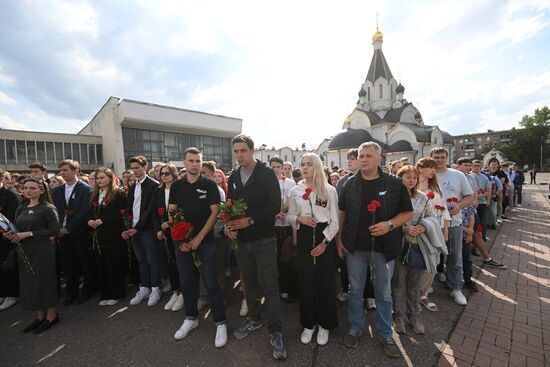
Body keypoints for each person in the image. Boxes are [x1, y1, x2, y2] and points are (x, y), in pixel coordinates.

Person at [337, 142, 413, 358]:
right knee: (355, 290)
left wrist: (388, 225)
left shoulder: (394, 183)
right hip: (355, 248)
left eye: (369, 156)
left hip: (384, 248)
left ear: (380, 159)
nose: (364, 159)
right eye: (361, 155)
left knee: (383, 292)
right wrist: (340, 239)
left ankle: (384, 332)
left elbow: (407, 213)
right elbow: (342, 212)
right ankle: (355, 327)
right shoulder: (350, 184)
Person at [225, 134, 287, 360]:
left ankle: (276, 330)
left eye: (243, 150)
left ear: (252, 151)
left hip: (264, 239)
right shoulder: (233, 176)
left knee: (269, 285)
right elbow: (230, 206)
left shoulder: (266, 173)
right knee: (248, 283)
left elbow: (274, 205)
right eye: (236, 151)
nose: (239, 155)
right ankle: (253, 318)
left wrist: (250, 220)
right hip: (242, 242)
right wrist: (230, 226)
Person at [169, 148, 227, 348]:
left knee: (211, 283)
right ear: (184, 163)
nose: (195, 164)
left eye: (198, 161)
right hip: (183, 245)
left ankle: (220, 322)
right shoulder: (176, 186)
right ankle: (191, 318)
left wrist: (199, 238)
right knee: (186, 282)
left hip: (206, 243)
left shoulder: (210, 185)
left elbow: (215, 213)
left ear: (202, 163)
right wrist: (180, 240)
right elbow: (172, 213)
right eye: (191, 161)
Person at [287, 153, 339, 345]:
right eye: (302, 164)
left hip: (324, 236)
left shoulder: (329, 190)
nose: (305, 168)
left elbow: (335, 221)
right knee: (306, 282)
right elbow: (290, 216)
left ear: (317, 166)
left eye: (309, 164)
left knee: (325, 283)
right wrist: (299, 219)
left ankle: (325, 325)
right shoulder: (295, 190)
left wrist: (324, 243)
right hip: (304, 236)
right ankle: (309, 324)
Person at [3, 177, 60, 333]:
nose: (27, 191)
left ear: (41, 190)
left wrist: (28, 234)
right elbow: (16, 229)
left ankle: (52, 316)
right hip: (24, 250)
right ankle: (39, 316)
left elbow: (55, 231)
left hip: (42, 249)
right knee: (30, 283)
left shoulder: (48, 208)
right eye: (25, 188)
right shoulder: (21, 208)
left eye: (32, 188)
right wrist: (10, 235)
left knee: (44, 281)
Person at [392, 164, 437, 335]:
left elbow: (432, 217)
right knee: (398, 283)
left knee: (414, 283)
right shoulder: (394, 196)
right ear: (400, 177)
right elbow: (388, 219)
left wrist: (423, 227)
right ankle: (398, 316)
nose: (411, 180)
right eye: (407, 176)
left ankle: (413, 316)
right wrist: (404, 228)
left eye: (414, 177)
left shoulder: (423, 197)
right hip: (399, 244)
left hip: (418, 245)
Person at [431, 148, 473, 306]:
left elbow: (469, 196)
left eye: (442, 157)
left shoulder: (458, 175)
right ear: (431, 158)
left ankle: (455, 287)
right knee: (430, 255)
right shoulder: (427, 173)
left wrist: (459, 206)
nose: (440, 160)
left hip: (454, 221)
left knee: (455, 256)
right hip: (431, 222)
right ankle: (425, 288)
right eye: (436, 157)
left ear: (447, 158)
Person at [51, 159, 94, 306]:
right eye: (60, 171)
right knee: (69, 264)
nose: (62, 173)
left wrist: (68, 228)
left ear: (75, 171)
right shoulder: (56, 191)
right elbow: (55, 212)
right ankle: (71, 292)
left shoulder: (86, 189)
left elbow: (84, 212)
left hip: (80, 233)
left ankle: (87, 290)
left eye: (65, 170)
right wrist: (58, 229)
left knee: (85, 263)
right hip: (63, 235)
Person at [124, 155, 162, 306]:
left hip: (147, 229)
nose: (135, 171)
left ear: (145, 167)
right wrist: (128, 227)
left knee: (152, 259)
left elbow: (150, 211)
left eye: (137, 167)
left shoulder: (154, 185)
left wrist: (136, 228)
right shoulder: (133, 186)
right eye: (132, 168)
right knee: (141, 260)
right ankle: (144, 287)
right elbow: (128, 208)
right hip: (134, 229)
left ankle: (155, 289)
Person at [87, 168, 128, 306]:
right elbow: (89, 211)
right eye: (97, 178)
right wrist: (90, 220)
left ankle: (117, 293)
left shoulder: (118, 193)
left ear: (110, 178)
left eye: (102, 177)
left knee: (114, 263)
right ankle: (106, 293)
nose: (99, 180)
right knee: (102, 264)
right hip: (99, 235)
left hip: (114, 233)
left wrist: (103, 220)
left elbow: (121, 214)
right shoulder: (94, 194)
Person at [415, 157, 450, 313]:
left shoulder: (435, 187)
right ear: (420, 168)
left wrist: (445, 229)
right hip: (416, 229)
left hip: (434, 228)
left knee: (432, 261)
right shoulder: (412, 184)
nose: (434, 171)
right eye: (431, 167)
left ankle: (422, 294)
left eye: (435, 168)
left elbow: (444, 208)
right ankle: (412, 295)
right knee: (415, 263)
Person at [151, 164, 184, 312]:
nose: (164, 176)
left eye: (167, 173)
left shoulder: (179, 189)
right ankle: (175, 291)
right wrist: (159, 229)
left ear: (174, 174)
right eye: (161, 173)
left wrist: (171, 223)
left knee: (180, 263)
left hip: (179, 231)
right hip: (165, 233)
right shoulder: (158, 191)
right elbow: (154, 214)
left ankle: (183, 293)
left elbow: (183, 210)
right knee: (170, 262)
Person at [270, 156, 297, 303]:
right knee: (273, 259)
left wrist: (282, 210)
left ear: (282, 168)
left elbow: (292, 200)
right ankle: (276, 289)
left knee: (286, 258)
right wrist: (275, 212)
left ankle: (287, 289)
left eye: (277, 167)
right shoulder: (267, 182)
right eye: (272, 167)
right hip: (272, 226)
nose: (275, 170)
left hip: (286, 225)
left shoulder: (290, 182)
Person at [0, 168, 22, 311]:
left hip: (8, 239)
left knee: (9, 267)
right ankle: (2, 293)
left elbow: (15, 220)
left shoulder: (11, 196)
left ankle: (13, 294)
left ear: (2, 179)